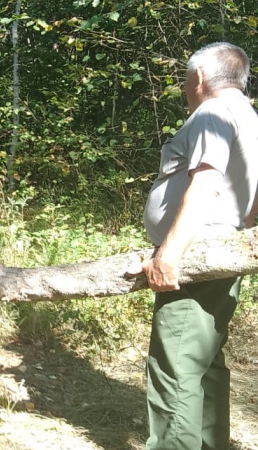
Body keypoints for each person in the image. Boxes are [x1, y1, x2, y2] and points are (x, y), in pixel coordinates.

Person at [137, 42, 258, 449]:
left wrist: (168, 254)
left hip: (194, 256)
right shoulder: (249, 116)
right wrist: (239, 232)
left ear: (200, 78)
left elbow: (205, 182)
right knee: (205, 363)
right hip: (221, 251)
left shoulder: (213, 112)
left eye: (186, 81)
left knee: (176, 368)